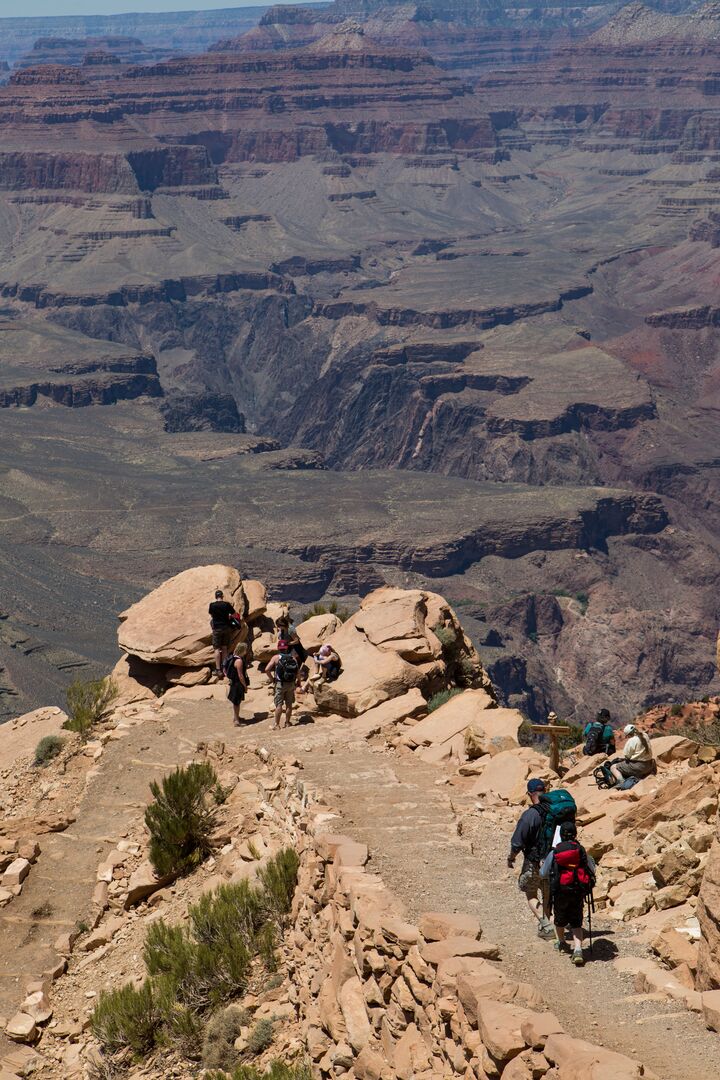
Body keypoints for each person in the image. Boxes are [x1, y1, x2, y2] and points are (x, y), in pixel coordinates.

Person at [541, 820, 595, 967]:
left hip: (560, 891)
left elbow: (543, 872)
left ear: (560, 835)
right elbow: (591, 869)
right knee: (577, 921)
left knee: (559, 919)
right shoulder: (581, 849)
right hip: (578, 890)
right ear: (575, 834)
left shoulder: (555, 851)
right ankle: (578, 950)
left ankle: (562, 943)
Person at [507, 778, 555, 940]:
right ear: (545, 791)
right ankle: (545, 927)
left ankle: (547, 925)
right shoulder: (555, 811)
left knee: (531, 893)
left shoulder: (530, 814)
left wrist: (511, 857)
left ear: (529, 794)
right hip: (553, 861)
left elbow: (517, 841)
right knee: (548, 896)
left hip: (533, 862)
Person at [265, 648, 300, 730]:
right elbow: (297, 672)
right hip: (291, 684)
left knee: (279, 704)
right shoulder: (293, 658)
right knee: (289, 704)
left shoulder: (276, 657)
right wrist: (299, 682)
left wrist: (272, 679)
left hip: (280, 684)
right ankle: (287, 722)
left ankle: (276, 725)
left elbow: (267, 669)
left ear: (278, 648)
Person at [209, 589, 237, 678]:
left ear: (215, 596)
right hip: (226, 628)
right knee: (224, 648)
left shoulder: (212, 605)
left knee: (217, 649)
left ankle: (218, 669)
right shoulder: (226, 604)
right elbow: (235, 614)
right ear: (222, 596)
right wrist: (229, 616)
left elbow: (211, 615)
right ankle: (225, 667)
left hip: (217, 629)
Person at [225, 643, 249, 727]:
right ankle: (236, 721)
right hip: (237, 684)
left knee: (236, 702)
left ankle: (236, 717)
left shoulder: (233, 657)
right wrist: (245, 686)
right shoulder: (239, 661)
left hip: (234, 682)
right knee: (237, 702)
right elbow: (240, 675)